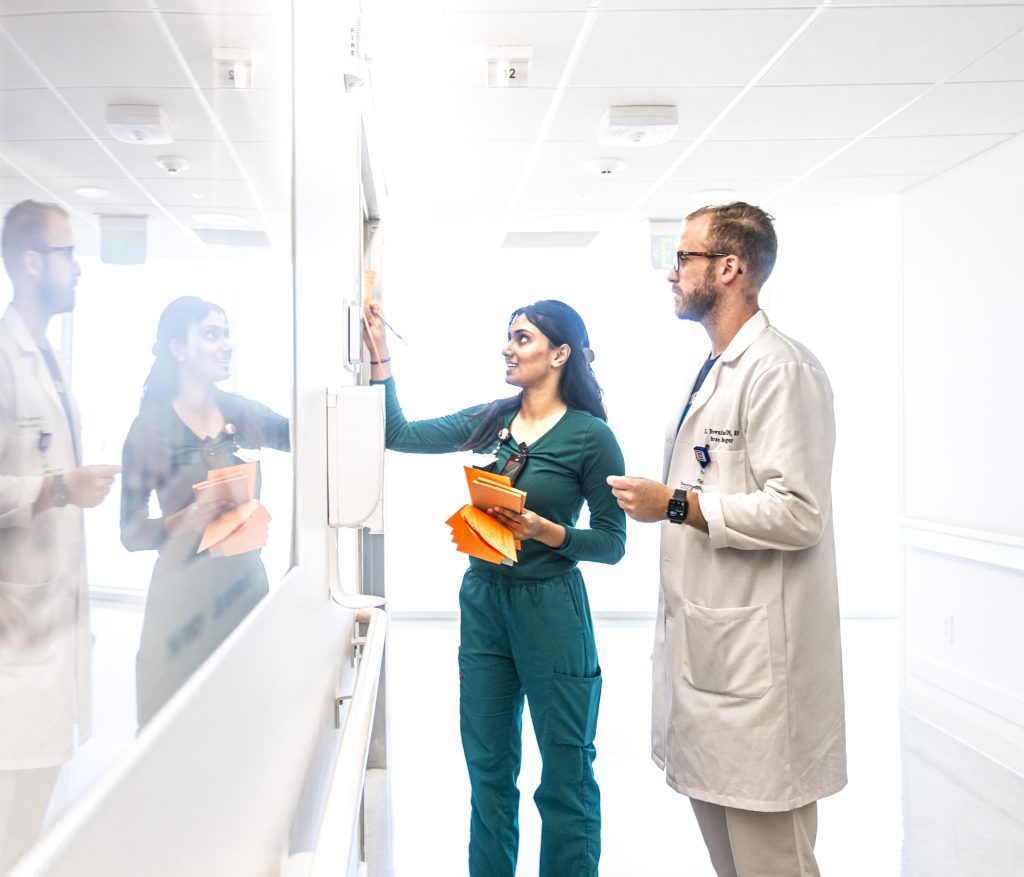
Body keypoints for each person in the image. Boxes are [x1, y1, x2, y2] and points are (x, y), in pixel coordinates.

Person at [608, 202, 846, 877]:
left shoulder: (781, 370)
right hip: (719, 667)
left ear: (731, 268)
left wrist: (676, 503)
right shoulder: (719, 367)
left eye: (683, 257)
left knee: (774, 863)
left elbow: (799, 511)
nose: (672, 272)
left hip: (762, 678)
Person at [363, 299, 625, 877]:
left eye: (522, 338)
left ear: (560, 354)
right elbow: (398, 433)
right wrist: (381, 359)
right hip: (484, 602)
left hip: (552, 607)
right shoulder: (493, 418)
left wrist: (547, 531)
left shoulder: (590, 436)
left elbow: (612, 541)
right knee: (489, 769)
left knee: (565, 769)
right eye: (509, 336)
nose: (508, 347)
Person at [0, 200, 120, 870]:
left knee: (31, 825)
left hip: (50, 631)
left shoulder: (45, 355)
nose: (78, 268)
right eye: (66, 253)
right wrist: (56, 489)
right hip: (14, 637)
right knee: (9, 822)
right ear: (30, 262)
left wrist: (69, 483)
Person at [120, 296, 289, 727]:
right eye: (211, 334)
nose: (226, 344)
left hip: (244, 596)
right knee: (172, 742)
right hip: (181, 608)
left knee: (242, 736)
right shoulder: (150, 429)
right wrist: (183, 521)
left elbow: (306, 434)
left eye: (226, 333)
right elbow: (131, 532)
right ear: (178, 349)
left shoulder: (241, 412)